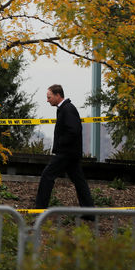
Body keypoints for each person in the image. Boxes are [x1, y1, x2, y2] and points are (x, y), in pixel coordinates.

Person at [35, 84, 95, 212]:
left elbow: (74, 130)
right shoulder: (65, 109)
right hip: (70, 153)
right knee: (79, 181)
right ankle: (90, 212)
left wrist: (61, 143)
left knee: (47, 176)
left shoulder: (67, 109)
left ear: (58, 95)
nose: (47, 100)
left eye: (49, 97)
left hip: (66, 153)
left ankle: (39, 210)